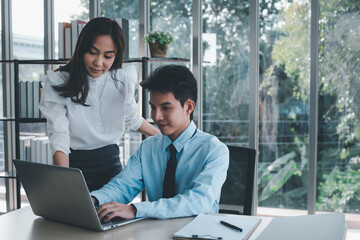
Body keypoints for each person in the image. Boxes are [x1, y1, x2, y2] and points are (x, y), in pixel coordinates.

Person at [90, 65, 229, 220]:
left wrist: (135, 210)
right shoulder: (147, 148)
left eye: (166, 108)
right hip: (155, 231)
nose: (156, 117)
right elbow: (123, 185)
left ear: (188, 107)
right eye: (153, 107)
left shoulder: (214, 151)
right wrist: (93, 200)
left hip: (197, 233)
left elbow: (200, 200)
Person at [39, 17, 159, 191]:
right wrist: (65, 182)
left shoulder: (122, 79)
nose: (98, 62)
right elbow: (59, 137)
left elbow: (132, 118)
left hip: (111, 165)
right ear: (81, 49)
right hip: (74, 166)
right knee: (75, 216)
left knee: (113, 216)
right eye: (92, 52)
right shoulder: (58, 82)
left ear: (116, 56)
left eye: (108, 56)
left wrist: (165, 137)